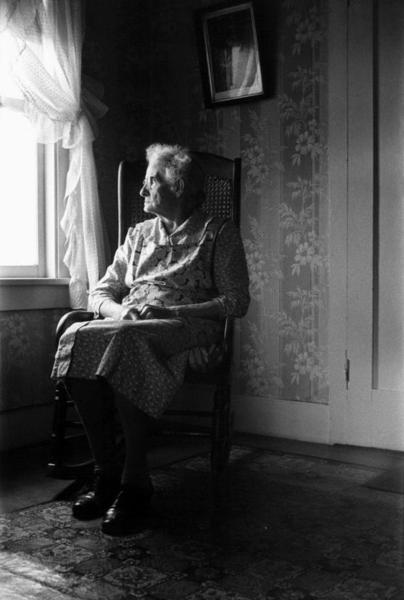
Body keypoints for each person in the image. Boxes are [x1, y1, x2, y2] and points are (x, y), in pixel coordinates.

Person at [51, 143, 250, 536]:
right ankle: (106, 471)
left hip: (186, 323)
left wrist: (172, 313)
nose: (142, 191)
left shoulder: (218, 234)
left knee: (130, 341)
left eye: (151, 182)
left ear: (178, 187)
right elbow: (100, 292)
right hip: (131, 323)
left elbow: (236, 301)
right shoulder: (138, 235)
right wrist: (119, 312)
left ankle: (135, 480)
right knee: (76, 335)